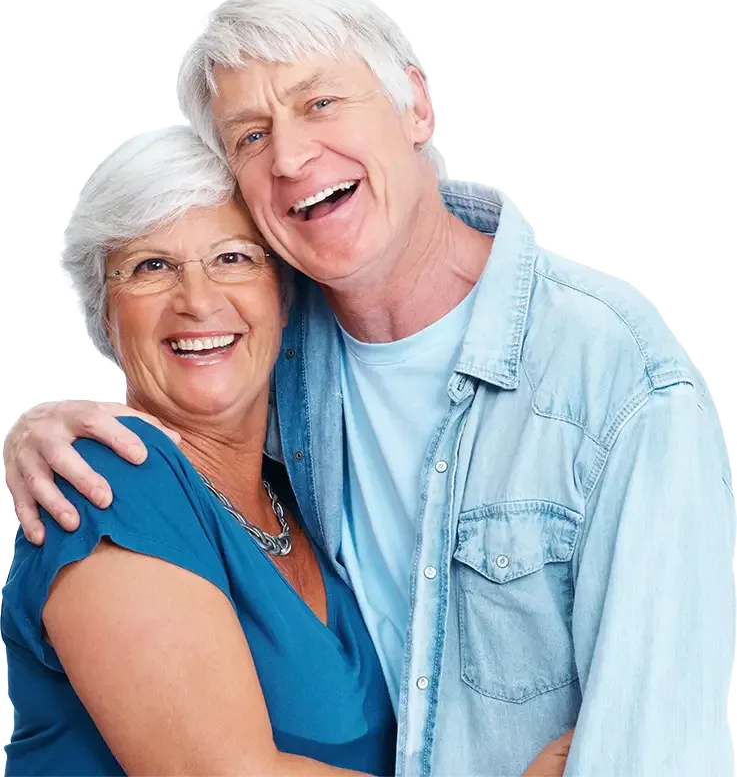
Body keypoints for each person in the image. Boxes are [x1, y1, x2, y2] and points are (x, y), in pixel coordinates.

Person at [4, 0, 734, 774]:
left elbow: (661, 742)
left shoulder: (615, 378)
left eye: (319, 103)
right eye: (249, 136)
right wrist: (40, 425)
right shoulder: (260, 379)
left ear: (416, 106)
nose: (288, 156)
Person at [1, 125, 571, 777]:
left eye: (234, 258)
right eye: (151, 266)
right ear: (107, 314)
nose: (198, 300)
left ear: (285, 295)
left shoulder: (309, 497)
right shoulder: (105, 481)